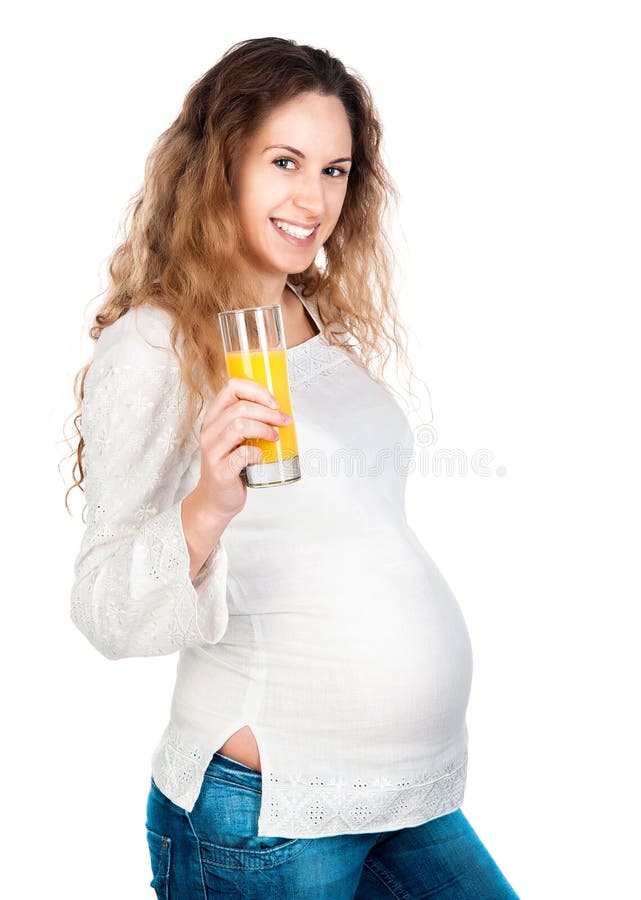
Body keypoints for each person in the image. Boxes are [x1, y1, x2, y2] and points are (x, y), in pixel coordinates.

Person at [66, 37, 520, 899]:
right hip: (268, 816)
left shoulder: (308, 319)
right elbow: (102, 611)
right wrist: (204, 507)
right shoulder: (157, 346)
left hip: (401, 802)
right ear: (219, 166)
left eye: (336, 171)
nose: (313, 199)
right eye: (285, 161)